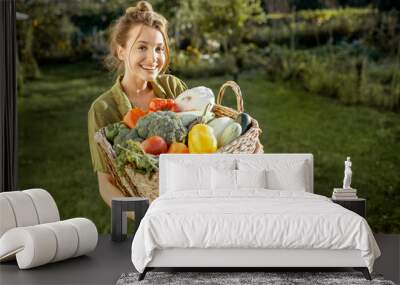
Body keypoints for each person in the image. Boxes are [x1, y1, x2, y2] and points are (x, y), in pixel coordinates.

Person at [88, 1, 187, 210]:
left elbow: (203, 136)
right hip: (143, 214)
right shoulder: (103, 109)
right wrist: (146, 215)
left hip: (186, 198)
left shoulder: (173, 87)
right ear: (121, 51)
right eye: (142, 47)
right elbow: (106, 184)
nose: (154, 58)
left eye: (159, 49)